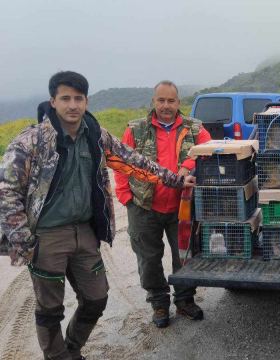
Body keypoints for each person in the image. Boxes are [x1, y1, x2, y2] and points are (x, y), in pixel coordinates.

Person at [0, 71, 196, 360]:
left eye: (78, 98)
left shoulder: (95, 134)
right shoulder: (31, 141)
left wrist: (176, 180)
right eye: (65, 98)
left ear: (86, 101)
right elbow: (7, 190)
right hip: (47, 235)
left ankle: (72, 347)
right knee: (50, 308)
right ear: (53, 101)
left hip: (85, 231)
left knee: (96, 298)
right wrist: (24, 241)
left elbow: (134, 161)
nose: (72, 105)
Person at [114, 80, 211, 328]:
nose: (166, 105)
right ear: (153, 102)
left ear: (179, 103)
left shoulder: (195, 129)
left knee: (186, 257)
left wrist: (187, 166)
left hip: (184, 208)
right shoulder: (135, 129)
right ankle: (158, 303)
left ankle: (185, 300)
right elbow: (121, 164)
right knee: (148, 260)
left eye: (171, 100)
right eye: (161, 100)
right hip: (144, 207)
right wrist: (126, 197)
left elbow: (208, 154)